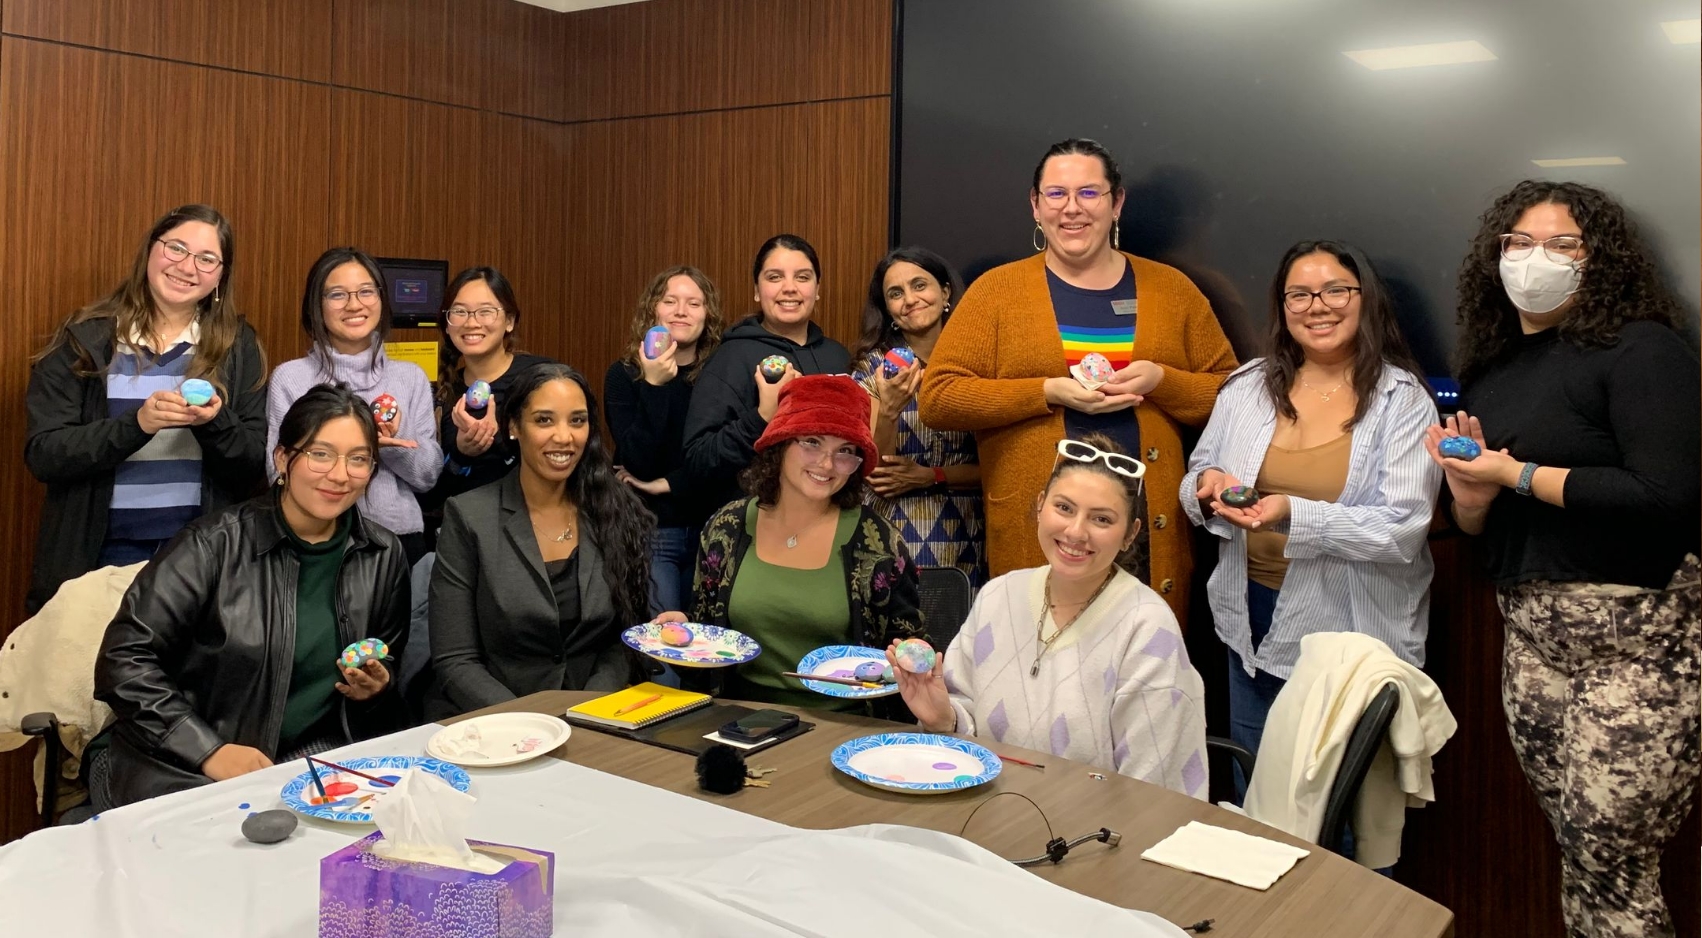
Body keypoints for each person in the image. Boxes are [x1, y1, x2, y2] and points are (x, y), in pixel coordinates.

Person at [1427, 180, 1699, 938]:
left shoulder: (1644, 349)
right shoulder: (1491, 368)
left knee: (1613, 863)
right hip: (1533, 645)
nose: (1534, 259)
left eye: (1561, 244)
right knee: (1577, 852)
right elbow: (1477, 525)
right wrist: (1470, 489)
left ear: (1598, 259)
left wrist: (1513, 473)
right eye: (1519, 243)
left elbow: (1664, 494)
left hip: (1638, 647)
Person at [919, 138, 1237, 621]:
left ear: (1117, 203)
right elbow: (938, 399)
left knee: (1141, 675)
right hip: (1038, 530)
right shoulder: (995, 293)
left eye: (1089, 193)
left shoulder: (1172, 290)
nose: (1072, 209)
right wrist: (1044, 391)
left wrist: (1160, 380)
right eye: (1056, 194)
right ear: (1035, 205)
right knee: (1036, 670)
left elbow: (1235, 396)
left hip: (1145, 534)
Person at [1180, 240, 1440, 785]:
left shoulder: (1402, 399)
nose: (1317, 306)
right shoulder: (1248, 385)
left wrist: (1291, 515)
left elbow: (1402, 530)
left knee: (1336, 803)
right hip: (1244, 613)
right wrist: (1207, 487)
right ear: (1281, 307)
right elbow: (1199, 470)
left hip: (1347, 624)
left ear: (1364, 298)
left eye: (1335, 290)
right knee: (1259, 791)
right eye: (1298, 294)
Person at [90, 385, 411, 808]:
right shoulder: (212, 545)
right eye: (320, 453)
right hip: (173, 763)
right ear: (283, 459)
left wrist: (374, 689)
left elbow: (385, 668)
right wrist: (208, 750)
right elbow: (123, 661)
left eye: (358, 459)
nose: (339, 474)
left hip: (308, 761)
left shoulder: (382, 554)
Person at [888, 433, 1206, 797]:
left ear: (1130, 534)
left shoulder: (1147, 627)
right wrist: (944, 718)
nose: (1076, 531)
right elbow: (965, 724)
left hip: (1096, 840)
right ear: (1041, 505)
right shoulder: (999, 596)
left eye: (1101, 519)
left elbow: (1157, 790)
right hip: (987, 817)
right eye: (1065, 508)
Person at [25, 204, 267, 612]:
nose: (188, 267)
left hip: (198, 562)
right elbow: (44, 455)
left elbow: (252, 466)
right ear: (150, 251)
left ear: (220, 275)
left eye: (207, 259)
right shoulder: (85, 340)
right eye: (176, 248)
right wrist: (136, 425)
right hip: (95, 562)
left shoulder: (238, 347)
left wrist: (214, 423)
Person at [428, 364, 662, 720]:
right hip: (500, 724)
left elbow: (623, 641)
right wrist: (531, 721)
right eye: (544, 420)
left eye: (577, 421)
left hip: (597, 718)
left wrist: (585, 712)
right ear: (513, 427)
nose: (564, 437)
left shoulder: (616, 510)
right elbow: (455, 661)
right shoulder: (468, 516)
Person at [690, 375, 923, 711]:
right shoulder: (727, 529)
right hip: (737, 721)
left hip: (847, 730)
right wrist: (683, 629)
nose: (827, 464)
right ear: (780, 444)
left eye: (845, 451)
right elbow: (704, 634)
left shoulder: (878, 542)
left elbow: (911, 652)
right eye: (812, 442)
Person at [267, 247, 442, 565]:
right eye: (337, 294)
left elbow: (428, 476)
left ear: (381, 298)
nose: (354, 305)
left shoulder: (410, 377)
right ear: (317, 305)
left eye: (366, 291)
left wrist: (389, 445)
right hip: (315, 541)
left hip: (400, 542)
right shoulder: (291, 378)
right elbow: (275, 471)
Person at [683, 235, 851, 510]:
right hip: (756, 527)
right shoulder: (731, 357)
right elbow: (698, 461)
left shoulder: (838, 356)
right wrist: (763, 417)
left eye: (802, 277)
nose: (789, 288)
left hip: (830, 523)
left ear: (817, 288)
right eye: (775, 277)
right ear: (757, 291)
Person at [850, 247, 986, 586]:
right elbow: (876, 471)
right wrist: (890, 410)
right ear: (889, 311)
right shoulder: (873, 371)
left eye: (919, 285)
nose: (910, 299)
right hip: (895, 535)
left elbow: (1000, 466)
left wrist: (931, 475)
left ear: (945, 292)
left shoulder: (981, 364)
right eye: (896, 294)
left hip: (973, 533)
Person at [606, 265, 726, 615]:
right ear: (652, 310)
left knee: (707, 647)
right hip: (653, 531)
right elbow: (637, 460)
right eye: (670, 301)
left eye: (694, 303)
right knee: (665, 653)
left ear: (708, 315)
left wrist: (669, 483)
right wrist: (655, 386)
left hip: (714, 528)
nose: (680, 311)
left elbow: (724, 458)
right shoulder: (624, 374)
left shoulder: (721, 375)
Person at [420, 266, 555, 532]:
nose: (471, 322)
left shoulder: (543, 379)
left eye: (485, 311)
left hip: (536, 532)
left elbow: (564, 461)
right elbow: (432, 498)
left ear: (510, 320)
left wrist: (502, 441)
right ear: (447, 324)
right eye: (459, 312)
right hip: (465, 537)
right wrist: (462, 454)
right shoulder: (440, 395)